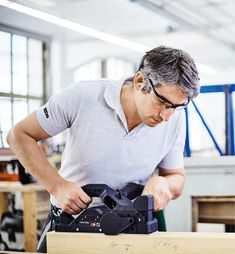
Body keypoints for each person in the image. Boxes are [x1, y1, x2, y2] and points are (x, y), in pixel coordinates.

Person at [7, 46, 200, 252]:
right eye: (162, 102)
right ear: (140, 81)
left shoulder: (174, 119)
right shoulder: (83, 96)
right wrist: (57, 186)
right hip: (72, 223)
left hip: (132, 228)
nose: (166, 116)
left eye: (177, 107)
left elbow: (176, 178)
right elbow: (18, 135)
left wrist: (165, 184)